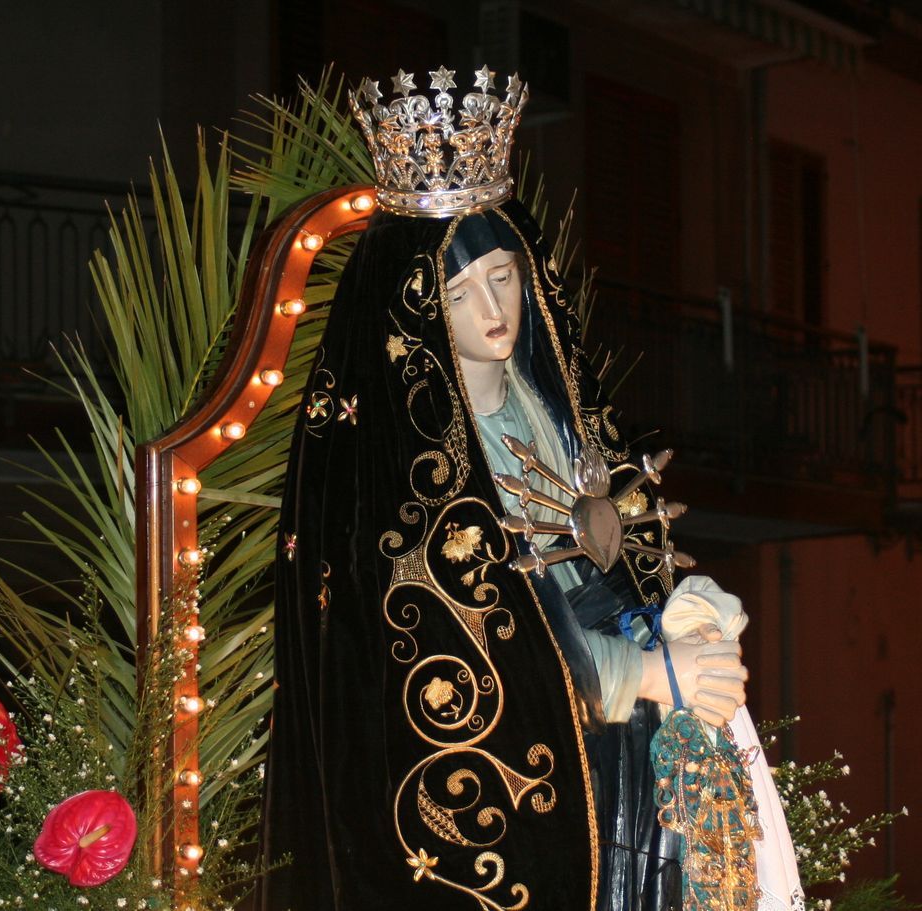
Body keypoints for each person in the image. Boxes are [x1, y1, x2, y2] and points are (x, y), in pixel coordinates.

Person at [257, 68, 748, 911]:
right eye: (459, 291)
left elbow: (618, 551)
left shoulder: (555, 413)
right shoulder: (401, 476)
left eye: (503, 276)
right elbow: (466, 643)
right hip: (526, 781)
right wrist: (647, 672)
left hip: (625, 752)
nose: (494, 308)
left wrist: (687, 616)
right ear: (418, 309)